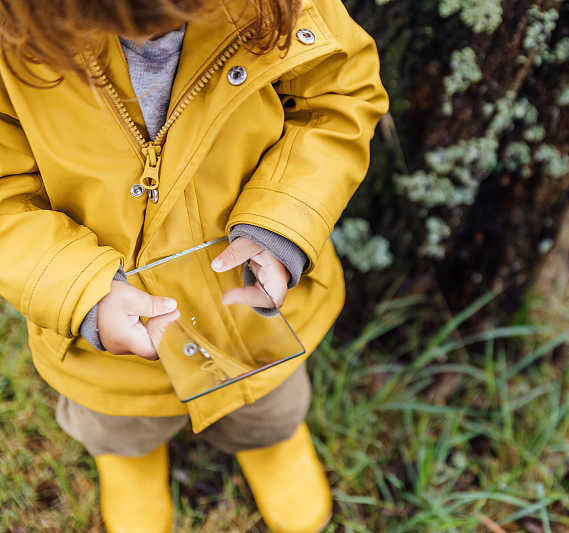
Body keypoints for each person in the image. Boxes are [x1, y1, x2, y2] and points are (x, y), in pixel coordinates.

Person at [0, 0, 388, 530]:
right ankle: (129, 462)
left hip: (252, 303)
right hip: (110, 327)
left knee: (269, 403)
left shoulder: (276, 5)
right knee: (118, 419)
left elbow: (339, 96)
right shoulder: (12, 46)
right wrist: (82, 291)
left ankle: (267, 444)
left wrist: (284, 222)